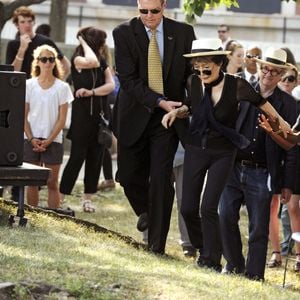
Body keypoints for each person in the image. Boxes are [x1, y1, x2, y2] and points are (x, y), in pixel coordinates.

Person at [162, 38, 291, 272]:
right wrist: (176, 112)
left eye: (206, 67)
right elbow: (191, 106)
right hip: (197, 149)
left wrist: (285, 127)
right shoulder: (193, 81)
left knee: (212, 209)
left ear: (219, 63)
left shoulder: (238, 85)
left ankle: (213, 260)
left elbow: (264, 105)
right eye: (197, 67)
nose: (201, 72)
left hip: (226, 153)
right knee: (188, 208)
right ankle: (208, 249)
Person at [112, 0, 196, 254]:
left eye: (154, 11)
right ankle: (146, 211)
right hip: (134, 114)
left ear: (164, 6)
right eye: (143, 11)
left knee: (160, 179)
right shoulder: (123, 33)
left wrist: (187, 105)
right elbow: (127, 79)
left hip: (168, 119)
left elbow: (191, 76)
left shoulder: (183, 33)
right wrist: (158, 101)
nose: (148, 16)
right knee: (127, 176)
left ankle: (156, 246)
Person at [218, 47, 297, 280]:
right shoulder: (241, 91)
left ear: (282, 75)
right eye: (265, 68)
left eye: (274, 71)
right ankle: (233, 264)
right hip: (233, 166)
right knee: (225, 216)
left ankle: (254, 274)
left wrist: (288, 184)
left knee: (259, 227)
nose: (268, 74)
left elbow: (292, 148)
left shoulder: (290, 105)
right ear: (260, 68)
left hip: (262, 172)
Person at [59, 27, 115, 213]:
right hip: (82, 117)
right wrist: (82, 41)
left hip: (100, 117)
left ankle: (87, 199)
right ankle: (61, 196)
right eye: (101, 41)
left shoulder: (102, 62)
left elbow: (110, 86)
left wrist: (91, 92)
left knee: (95, 158)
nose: (103, 45)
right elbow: (91, 61)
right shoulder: (78, 59)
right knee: (76, 157)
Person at [24, 44, 73, 209]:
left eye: (51, 59)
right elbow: (23, 116)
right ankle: (32, 215)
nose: (47, 62)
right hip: (30, 138)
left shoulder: (63, 87)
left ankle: (54, 216)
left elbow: (62, 119)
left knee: (52, 182)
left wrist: (49, 141)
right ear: (37, 62)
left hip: (54, 140)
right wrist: (31, 139)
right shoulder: (28, 85)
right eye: (43, 59)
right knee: (32, 182)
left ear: (54, 63)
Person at [6, 6, 70, 79]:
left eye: (29, 21)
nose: (27, 25)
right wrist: (21, 50)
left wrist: (55, 84)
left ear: (34, 22)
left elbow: (66, 66)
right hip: (20, 87)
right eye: (22, 22)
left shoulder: (45, 41)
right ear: (17, 25)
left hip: (41, 87)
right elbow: (11, 74)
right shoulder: (12, 44)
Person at [173, 142, 196, 257]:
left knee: (183, 200)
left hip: (185, 154)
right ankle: (149, 238)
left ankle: (188, 243)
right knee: (154, 196)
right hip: (158, 151)